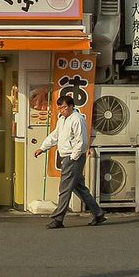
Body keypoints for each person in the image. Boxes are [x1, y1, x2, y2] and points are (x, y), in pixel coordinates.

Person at [33, 94, 106, 229]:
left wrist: (73, 157)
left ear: (72, 106)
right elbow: (54, 136)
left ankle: (58, 219)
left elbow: (82, 141)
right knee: (79, 188)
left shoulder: (77, 119)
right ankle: (98, 213)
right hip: (68, 156)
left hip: (73, 157)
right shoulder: (62, 119)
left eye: (65, 107)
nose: (62, 110)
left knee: (65, 189)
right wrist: (42, 148)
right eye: (60, 108)